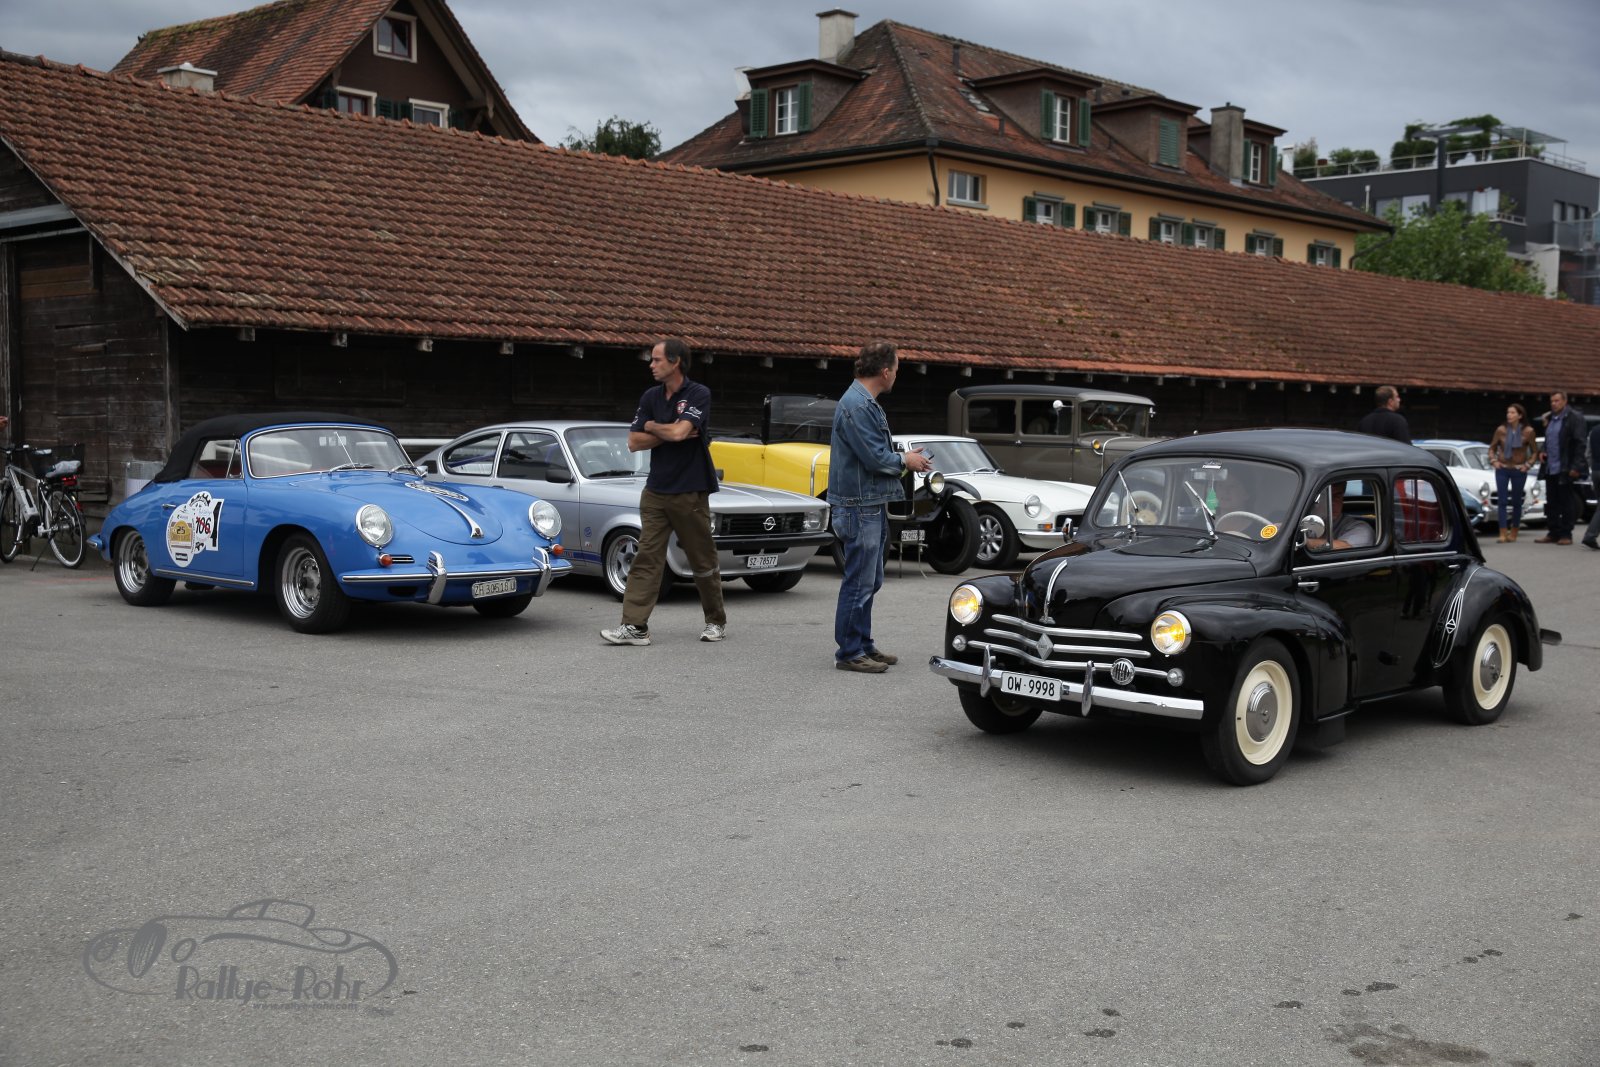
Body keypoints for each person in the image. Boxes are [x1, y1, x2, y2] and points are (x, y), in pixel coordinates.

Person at [599, 339, 727, 646]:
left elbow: (681, 433)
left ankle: (715, 621)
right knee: (646, 556)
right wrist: (664, 428)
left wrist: (654, 427)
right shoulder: (651, 396)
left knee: (701, 558)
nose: (651, 365)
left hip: (691, 490)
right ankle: (634, 627)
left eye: (656, 359)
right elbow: (634, 442)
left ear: (675, 362)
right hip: (655, 490)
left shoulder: (698, 393)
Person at [829, 342, 932, 673]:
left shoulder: (863, 402)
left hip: (868, 504)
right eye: (897, 370)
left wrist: (904, 459)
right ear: (885, 372)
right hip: (859, 507)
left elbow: (873, 455)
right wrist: (906, 460)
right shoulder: (858, 406)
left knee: (869, 580)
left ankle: (863, 644)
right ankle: (849, 652)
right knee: (859, 581)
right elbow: (874, 458)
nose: (897, 375)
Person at [1535, 390, 1586, 546]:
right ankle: (1553, 532)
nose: (1554, 404)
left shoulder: (1574, 418)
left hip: (1565, 466)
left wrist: (1576, 466)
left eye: (1557, 401)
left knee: (1566, 501)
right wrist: (1543, 451)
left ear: (1565, 401)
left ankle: (1566, 534)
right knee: (1551, 501)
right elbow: (1548, 439)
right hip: (1550, 466)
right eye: (1552, 401)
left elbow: (1580, 443)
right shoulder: (1550, 418)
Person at [1489, 402, 1536, 542]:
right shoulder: (1501, 430)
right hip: (1502, 468)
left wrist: (1528, 465)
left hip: (1519, 469)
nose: (1509, 415)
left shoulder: (1528, 431)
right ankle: (1502, 532)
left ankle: (1514, 531)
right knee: (1502, 501)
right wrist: (1494, 460)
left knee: (1516, 501)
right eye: (1508, 412)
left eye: (1513, 412)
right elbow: (1492, 448)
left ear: (1520, 416)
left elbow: (1535, 451)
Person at [1304, 482, 1374, 550]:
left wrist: (1303, 542)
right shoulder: (1305, 522)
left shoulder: (1360, 528)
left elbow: (1344, 547)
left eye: (1337, 496)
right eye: (1324, 497)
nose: (1332, 502)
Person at [1582, 417, 1600, 550]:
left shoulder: (1594, 430)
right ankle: (1590, 535)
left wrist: (1593, 468)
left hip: (1596, 471)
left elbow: (1587, 454)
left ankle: (1591, 535)